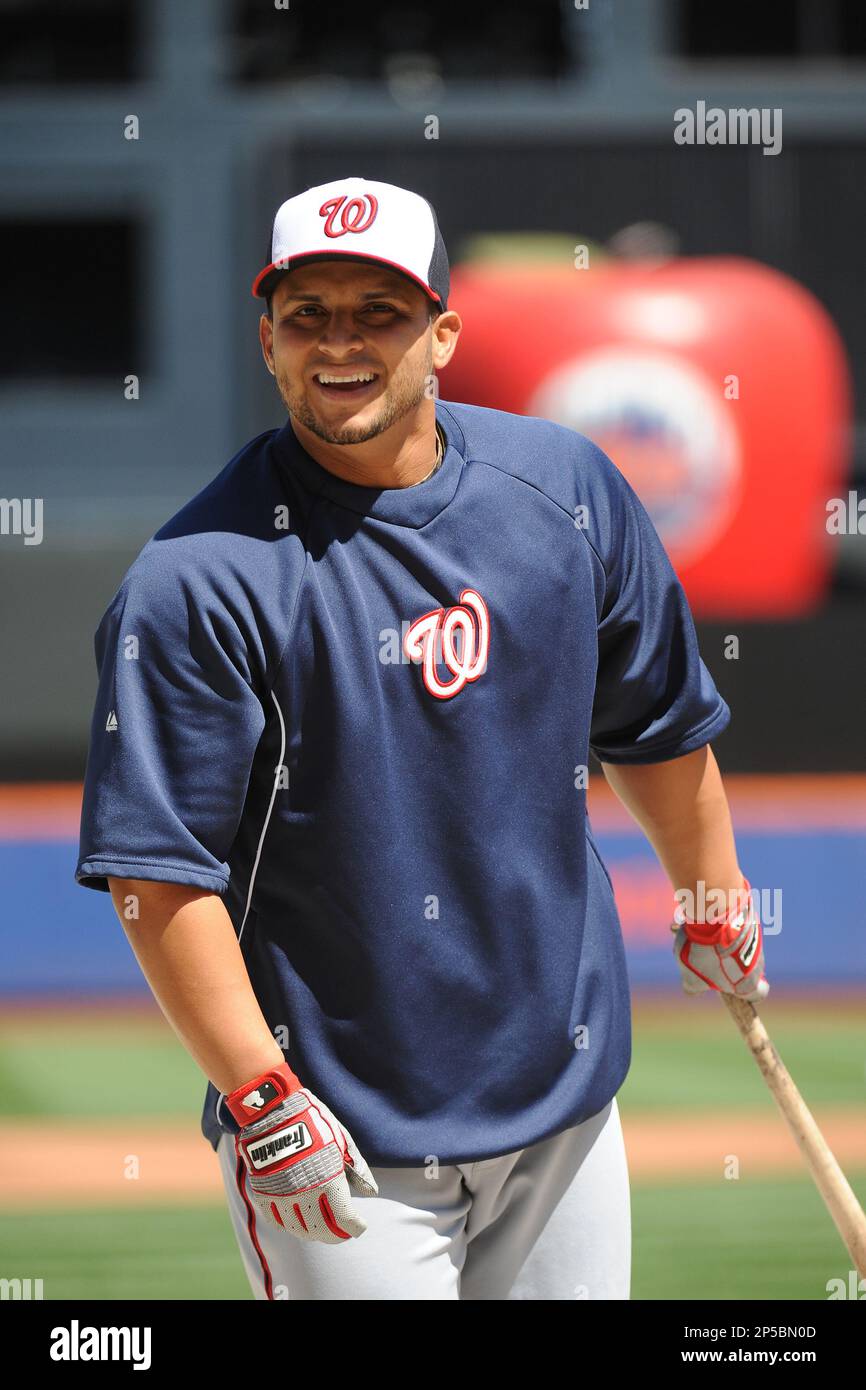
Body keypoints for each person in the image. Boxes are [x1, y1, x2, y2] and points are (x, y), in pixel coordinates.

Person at [75, 176, 768, 1301]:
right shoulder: (194, 579)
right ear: (266, 340)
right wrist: (260, 1096)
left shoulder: (565, 491)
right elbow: (159, 877)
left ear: (442, 331)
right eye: (308, 315)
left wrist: (712, 889)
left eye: (377, 311)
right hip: (342, 1138)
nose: (338, 343)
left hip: (565, 1103)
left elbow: (655, 724)